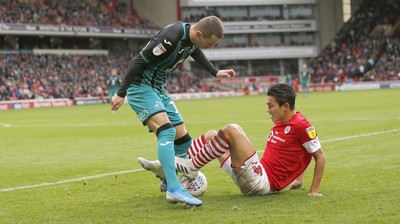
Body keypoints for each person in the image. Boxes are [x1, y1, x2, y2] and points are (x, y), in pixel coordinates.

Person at [110, 16, 235, 206]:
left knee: (184, 140)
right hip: (141, 87)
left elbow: (196, 52)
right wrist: (121, 93)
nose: (210, 47)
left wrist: (214, 72)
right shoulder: (170, 38)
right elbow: (136, 62)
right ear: (199, 33)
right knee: (167, 130)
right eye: (210, 43)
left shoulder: (192, 39)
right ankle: (174, 189)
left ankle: (168, 180)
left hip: (159, 89)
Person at [139, 83, 326, 197]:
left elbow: (319, 156)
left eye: (271, 106)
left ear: (286, 107)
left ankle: (189, 167)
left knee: (232, 130)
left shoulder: (301, 125)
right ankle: (169, 169)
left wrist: (314, 190)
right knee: (213, 135)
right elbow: (299, 153)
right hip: (255, 173)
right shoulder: (282, 122)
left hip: (262, 183)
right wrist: (298, 179)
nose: (268, 109)